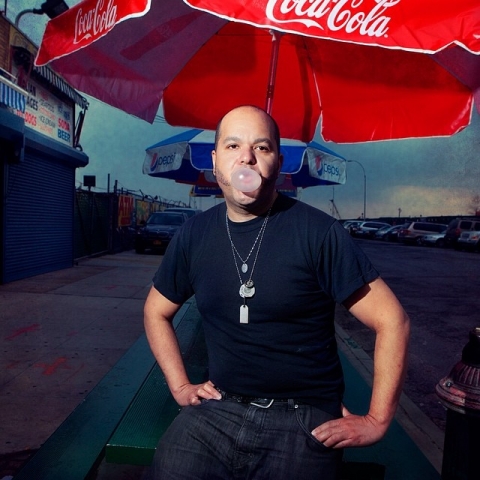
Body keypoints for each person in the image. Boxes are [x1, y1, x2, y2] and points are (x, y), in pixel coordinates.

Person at [143, 105, 410, 479]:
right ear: (216, 160)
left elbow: (392, 320)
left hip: (303, 418)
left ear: (279, 162)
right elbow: (156, 311)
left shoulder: (318, 233)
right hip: (218, 409)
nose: (247, 158)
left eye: (262, 147)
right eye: (233, 145)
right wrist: (181, 385)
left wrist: (378, 419)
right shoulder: (193, 235)